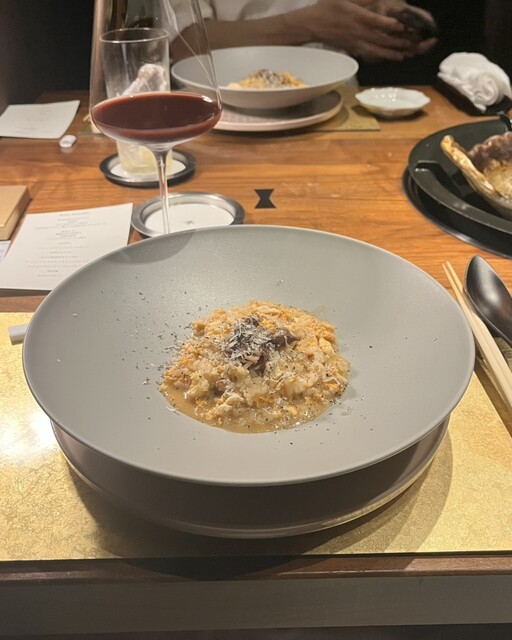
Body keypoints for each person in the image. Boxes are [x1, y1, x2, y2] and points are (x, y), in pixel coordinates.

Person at [193, 0, 437, 67]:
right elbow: (185, 44)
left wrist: (385, 21)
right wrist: (306, 27)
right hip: (226, 108)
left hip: (337, 98)